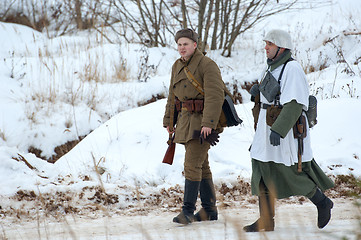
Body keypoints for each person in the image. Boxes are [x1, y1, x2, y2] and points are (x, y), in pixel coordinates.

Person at [245, 29, 335, 232]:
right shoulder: (269, 68)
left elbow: (294, 104)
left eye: (270, 44)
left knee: (290, 172)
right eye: (266, 43)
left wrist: (279, 130)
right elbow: (270, 96)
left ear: (282, 47)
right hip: (265, 128)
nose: (265, 47)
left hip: (282, 131)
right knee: (261, 168)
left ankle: (322, 202)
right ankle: (266, 220)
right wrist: (257, 94)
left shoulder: (292, 68)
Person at [163, 28, 227, 224]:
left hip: (203, 123)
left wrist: (209, 124)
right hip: (185, 121)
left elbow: (216, 96)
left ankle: (187, 211)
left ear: (195, 45)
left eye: (186, 44)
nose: (182, 48)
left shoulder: (207, 65)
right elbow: (173, 96)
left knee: (191, 165)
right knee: (202, 165)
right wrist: (169, 120)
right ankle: (209, 210)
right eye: (179, 44)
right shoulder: (177, 66)